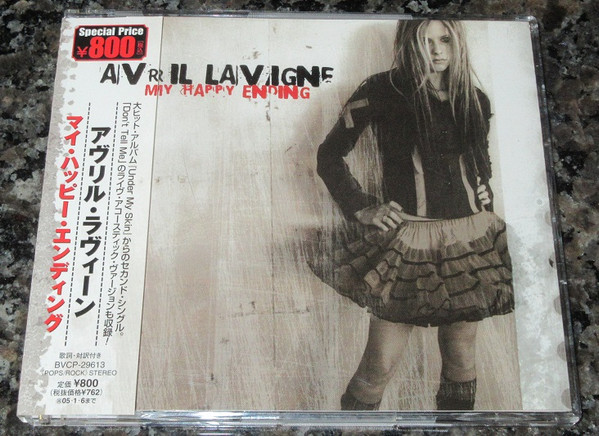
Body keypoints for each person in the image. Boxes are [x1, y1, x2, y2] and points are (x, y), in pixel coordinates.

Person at [315, 19, 514, 411]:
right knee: (379, 366)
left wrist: (484, 194)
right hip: (409, 240)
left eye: (445, 40)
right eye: (425, 41)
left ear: (458, 44)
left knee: (461, 355)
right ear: (408, 44)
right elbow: (329, 154)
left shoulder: (475, 98)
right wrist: (361, 205)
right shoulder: (379, 90)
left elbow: (480, 163)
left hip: (470, 240)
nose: (436, 50)